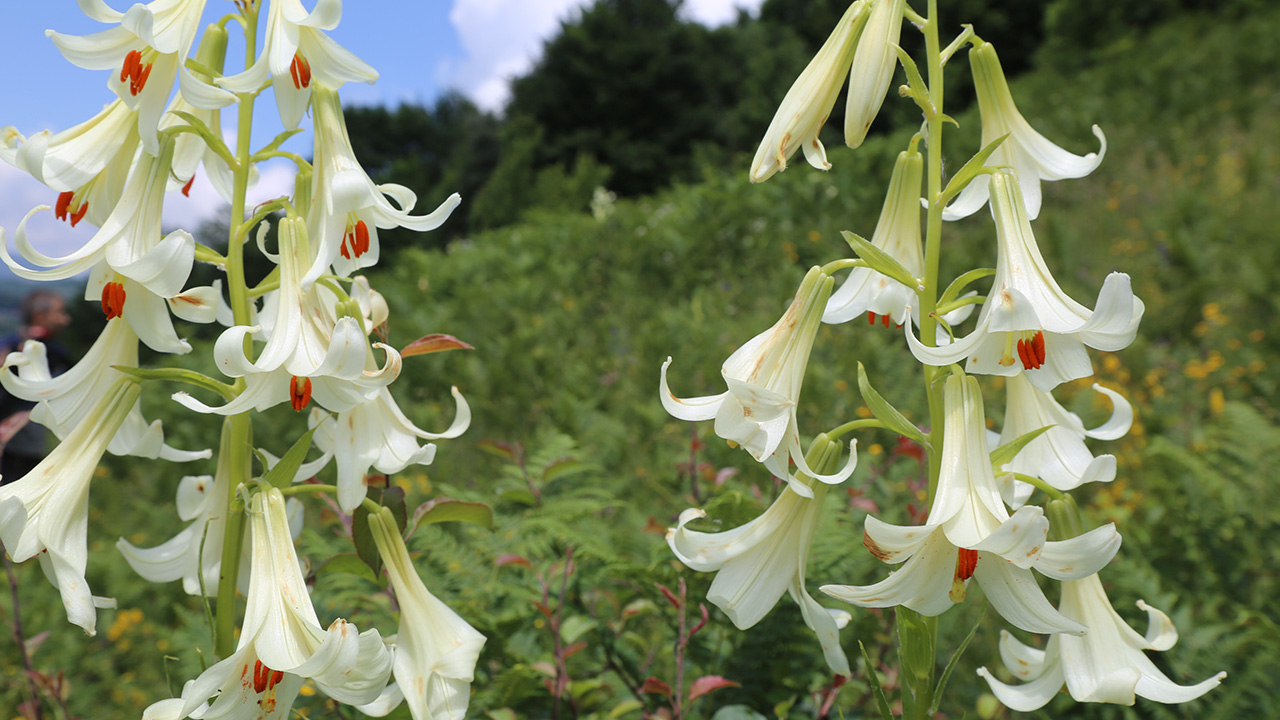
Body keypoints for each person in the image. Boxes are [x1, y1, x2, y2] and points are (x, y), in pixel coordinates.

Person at [0, 289, 72, 485]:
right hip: (14, 445)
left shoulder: (12, 345)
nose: (65, 320)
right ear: (40, 315)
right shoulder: (23, 349)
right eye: (60, 312)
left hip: (29, 445)